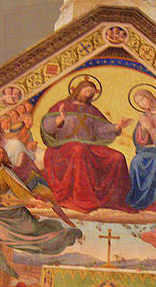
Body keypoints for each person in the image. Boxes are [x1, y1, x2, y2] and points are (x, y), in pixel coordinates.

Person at [0, 145, 82, 277]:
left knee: (31, 228)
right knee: (7, 237)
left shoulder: (5, 173)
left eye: (1, 153)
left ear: (4, 158)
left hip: (6, 208)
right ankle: (46, 242)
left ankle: (56, 236)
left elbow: (20, 190)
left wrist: (34, 201)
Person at [40, 78, 133, 212]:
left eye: (92, 93)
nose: (89, 94)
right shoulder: (62, 106)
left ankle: (114, 200)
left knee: (117, 157)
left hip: (90, 145)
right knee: (79, 149)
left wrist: (117, 126)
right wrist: (60, 118)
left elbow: (101, 128)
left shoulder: (91, 110)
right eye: (87, 91)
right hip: (64, 146)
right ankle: (82, 199)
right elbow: (47, 127)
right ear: (79, 90)